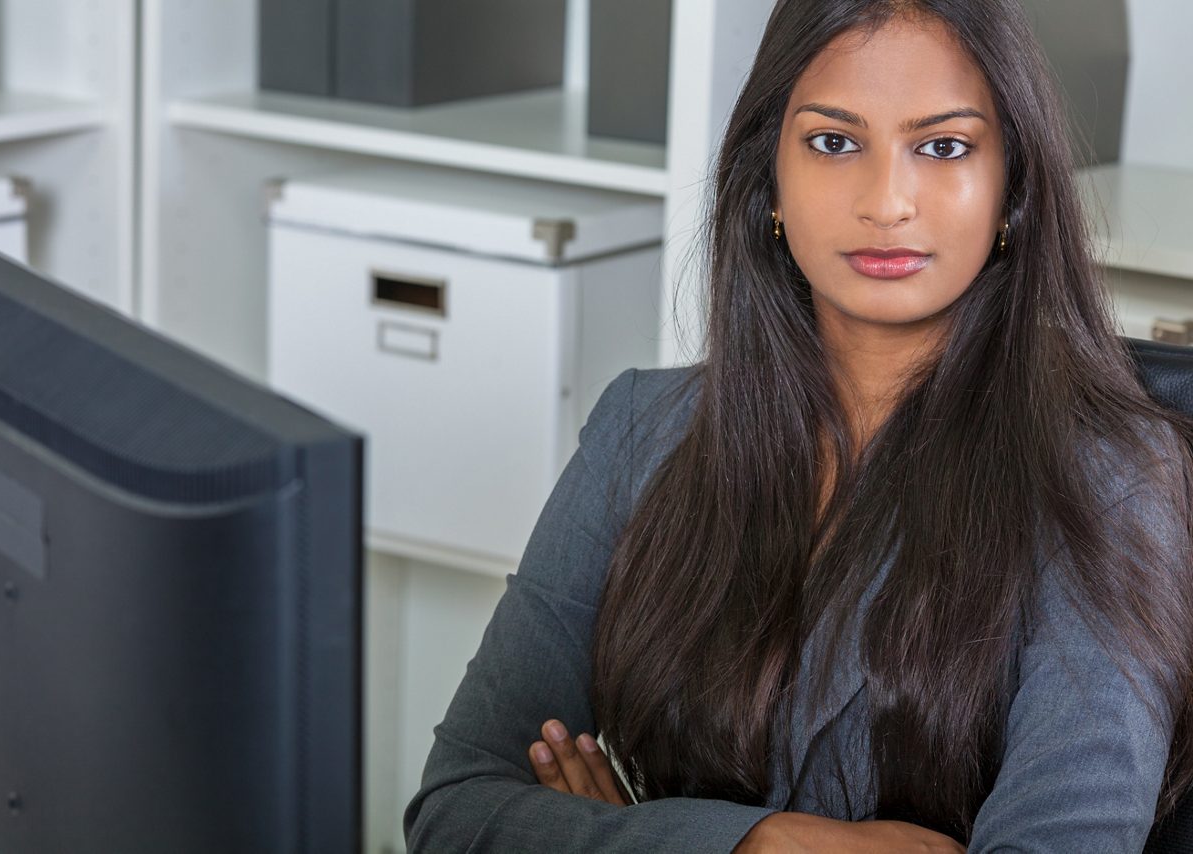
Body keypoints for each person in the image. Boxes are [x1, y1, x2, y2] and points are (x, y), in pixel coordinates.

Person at [403, 0, 1193, 850]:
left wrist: (627, 836)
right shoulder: (640, 429)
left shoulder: (1110, 475)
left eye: (944, 146)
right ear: (768, 177)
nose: (887, 201)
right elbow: (455, 811)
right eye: (833, 141)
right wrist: (762, 843)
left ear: (1013, 190)